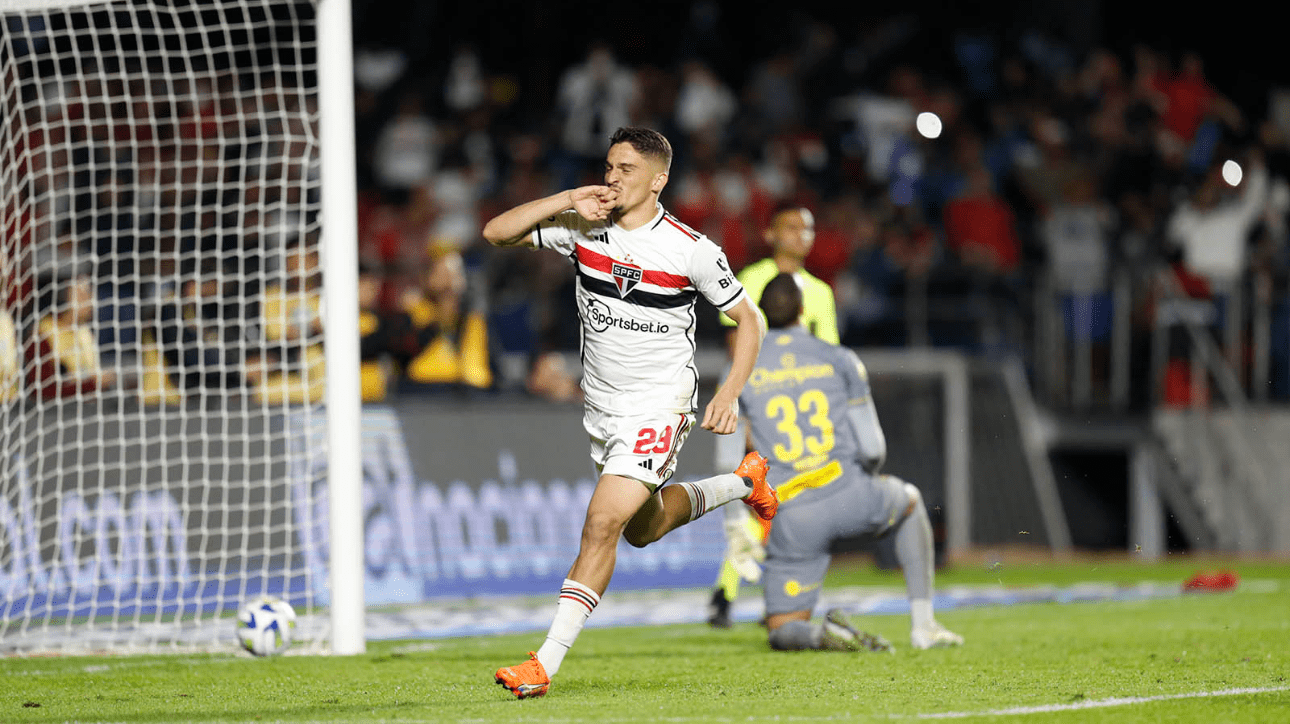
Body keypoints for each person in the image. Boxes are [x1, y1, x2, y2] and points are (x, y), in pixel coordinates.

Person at [482, 126, 776, 699]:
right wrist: (568, 198)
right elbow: (496, 233)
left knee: (601, 524)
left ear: (658, 180)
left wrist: (727, 392)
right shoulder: (583, 225)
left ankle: (542, 665)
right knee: (641, 529)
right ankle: (743, 485)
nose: (612, 177)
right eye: (609, 166)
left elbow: (749, 320)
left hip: (660, 405)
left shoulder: (691, 248)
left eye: (626, 169)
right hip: (603, 410)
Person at [742, 273, 964, 652]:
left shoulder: (743, 369)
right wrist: (865, 484)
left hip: (793, 513)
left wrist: (741, 520)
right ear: (802, 310)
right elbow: (873, 448)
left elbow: (733, 458)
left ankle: (817, 634)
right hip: (847, 490)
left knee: (781, 628)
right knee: (909, 502)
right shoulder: (838, 358)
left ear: (763, 315)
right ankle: (923, 626)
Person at [708, 203, 839, 628]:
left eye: (809, 226)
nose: (802, 234)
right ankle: (744, 594)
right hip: (750, 404)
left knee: (779, 502)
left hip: (796, 415)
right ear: (770, 233)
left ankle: (730, 593)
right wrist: (747, 410)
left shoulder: (821, 292)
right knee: (754, 501)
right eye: (792, 226)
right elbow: (735, 344)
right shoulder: (752, 280)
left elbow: (827, 357)